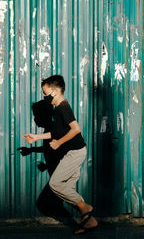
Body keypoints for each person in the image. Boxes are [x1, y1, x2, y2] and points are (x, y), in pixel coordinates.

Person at [23, 75, 97, 234]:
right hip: (73, 152)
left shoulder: (63, 107)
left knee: (55, 184)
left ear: (55, 91)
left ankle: (85, 208)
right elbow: (55, 133)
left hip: (75, 152)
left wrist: (59, 143)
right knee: (68, 190)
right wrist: (36, 138)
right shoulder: (57, 110)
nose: (44, 97)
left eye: (45, 93)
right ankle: (88, 221)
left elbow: (76, 129)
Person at [18, 99, 71, 218]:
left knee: (44, 205)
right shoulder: (50, 130)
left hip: (59, 177)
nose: (35, 119)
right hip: (57, 175)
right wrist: (31, 150)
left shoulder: (53, 131)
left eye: (37, 115)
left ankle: (83, 221)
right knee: (55, 206)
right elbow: (50, 149)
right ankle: (80, 224)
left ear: (46, 115)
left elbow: (61, 151)